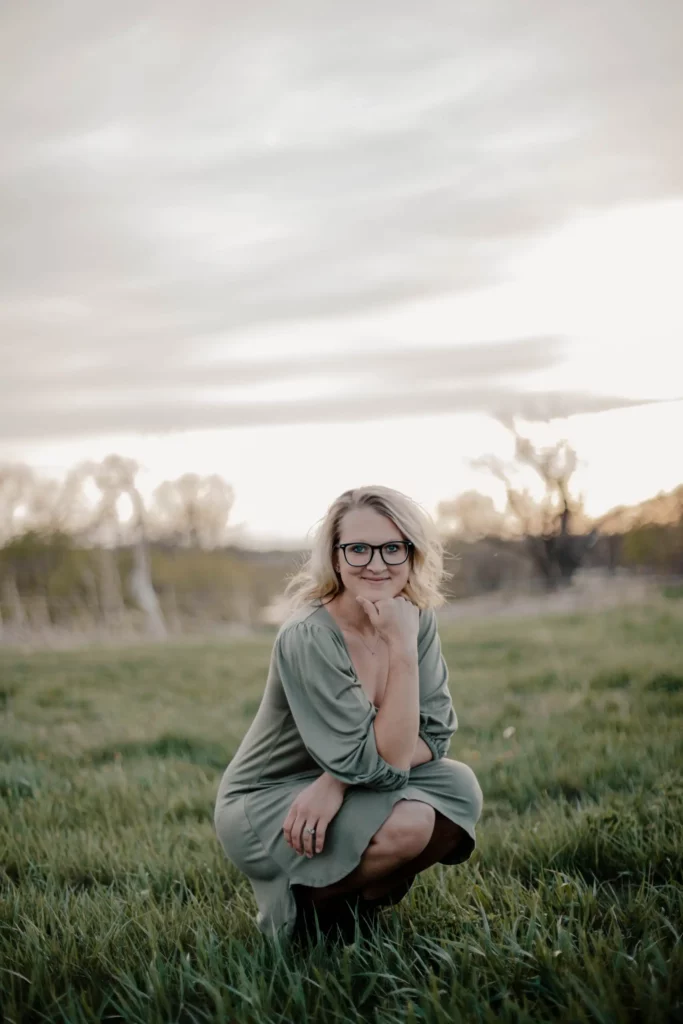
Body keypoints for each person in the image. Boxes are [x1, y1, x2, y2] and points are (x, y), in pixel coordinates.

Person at [213, 485, 483, 943]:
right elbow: (377, 761)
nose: (376, 564)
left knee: (460, 788)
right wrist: (401, 654)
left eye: (392, 548)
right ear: (335, 558)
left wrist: (334, 783)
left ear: (412, 554)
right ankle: (308, 912)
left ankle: (356, 905)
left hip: (340, 781)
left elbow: (435, 734)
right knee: (413, 823)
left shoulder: (413, 619)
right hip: (270, 798)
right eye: (358, 549)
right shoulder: (308, 635)